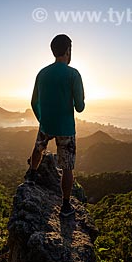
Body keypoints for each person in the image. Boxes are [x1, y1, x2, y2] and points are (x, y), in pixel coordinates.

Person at [26, 34, 85, 218]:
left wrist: (42, 119)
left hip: (46, 123)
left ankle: (32, 175)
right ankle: (65, 206)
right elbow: (80, 107)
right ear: (68, 50)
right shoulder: (73, 74)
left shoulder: (42, 73)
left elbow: (34, 101)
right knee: (67, 167)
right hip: (66, 127)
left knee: (39, 148)